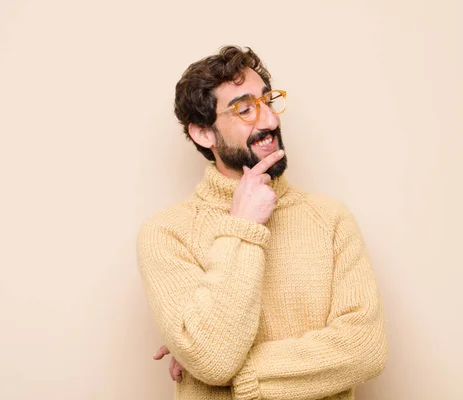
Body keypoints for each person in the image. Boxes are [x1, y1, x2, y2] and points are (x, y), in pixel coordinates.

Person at [137, 45, 388, 400]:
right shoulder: (166, 233)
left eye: (268, 101)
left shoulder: (330, 219)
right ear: (203, 133)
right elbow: (213, 359)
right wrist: (243, 226)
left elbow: (365, 349)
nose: (269, 120)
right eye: (244, 109)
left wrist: (228, 369)